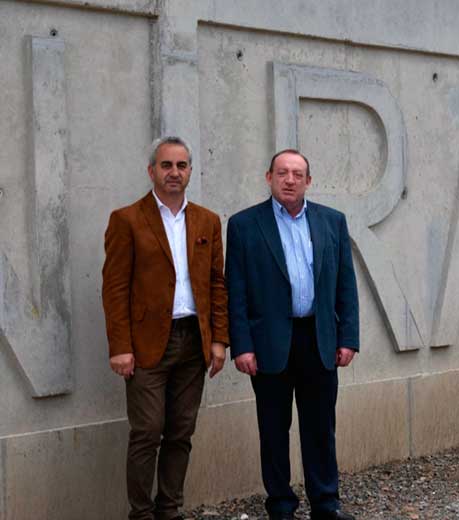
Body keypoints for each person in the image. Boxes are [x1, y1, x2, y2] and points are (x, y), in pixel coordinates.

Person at [225, 149, 359, 520]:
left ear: (308, 181)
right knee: (273, 429)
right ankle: (281, 506)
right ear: (268, 177)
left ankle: (326, 503)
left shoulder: (332, 222)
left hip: (319, 339)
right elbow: (236, 291)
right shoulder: (244, 225)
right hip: (269, 342)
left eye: (297, 174)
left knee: (320, 427)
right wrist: (242, 345)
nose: (289, 180)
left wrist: (348, 337)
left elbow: (345, 284)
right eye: (282, 173)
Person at [102, 136, 229, 520]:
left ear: (190, 171)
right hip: (145, 346)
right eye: (166, 165)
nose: (174, 173)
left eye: (181, 166)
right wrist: (120, 347)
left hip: (194, 341)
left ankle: (169, 508)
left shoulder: (207, 220)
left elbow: (217, 283)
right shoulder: (126, 220)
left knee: (181, 431)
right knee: (147, 432)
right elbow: (114, 287)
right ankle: (140, 513)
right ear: (152, 171)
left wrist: (220, 340)